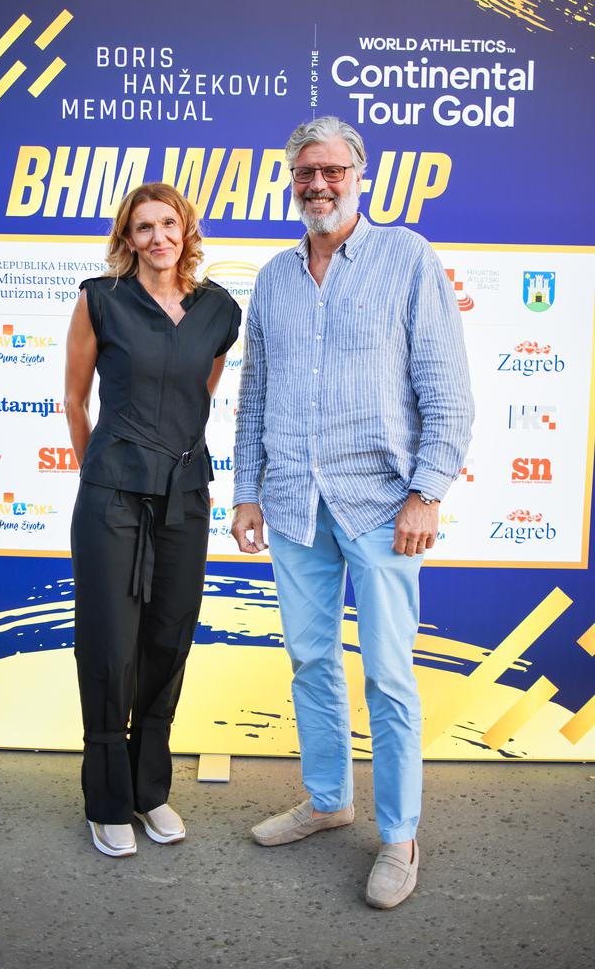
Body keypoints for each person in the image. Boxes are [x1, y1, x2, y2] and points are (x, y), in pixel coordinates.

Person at [231, 115, 474, 908]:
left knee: (390, 677)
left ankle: (400, 838)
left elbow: (448, 389)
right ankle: (329, 799)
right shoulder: (274, 278)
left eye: (332, 170)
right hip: (294, 506)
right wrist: (246, 491)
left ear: (358, 176)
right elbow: (254, 396)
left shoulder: (407, 258)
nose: (318, 185)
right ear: (292, 181)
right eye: (305, 172)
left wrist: (427, 493)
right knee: (310, 660)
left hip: (381, 506)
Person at [66, 182, 241, 858]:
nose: (159, 237)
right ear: (128, 239)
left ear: (186, 230)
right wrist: (101, 472)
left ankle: (150, 791)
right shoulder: (100, 300)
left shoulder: (219, 310)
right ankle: (108, 801)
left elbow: (199, 395)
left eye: (169, 223)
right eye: (144, 227)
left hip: (185, 498)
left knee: (168, 643)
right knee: (110, 648)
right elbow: (75, 400)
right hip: (111, 498)